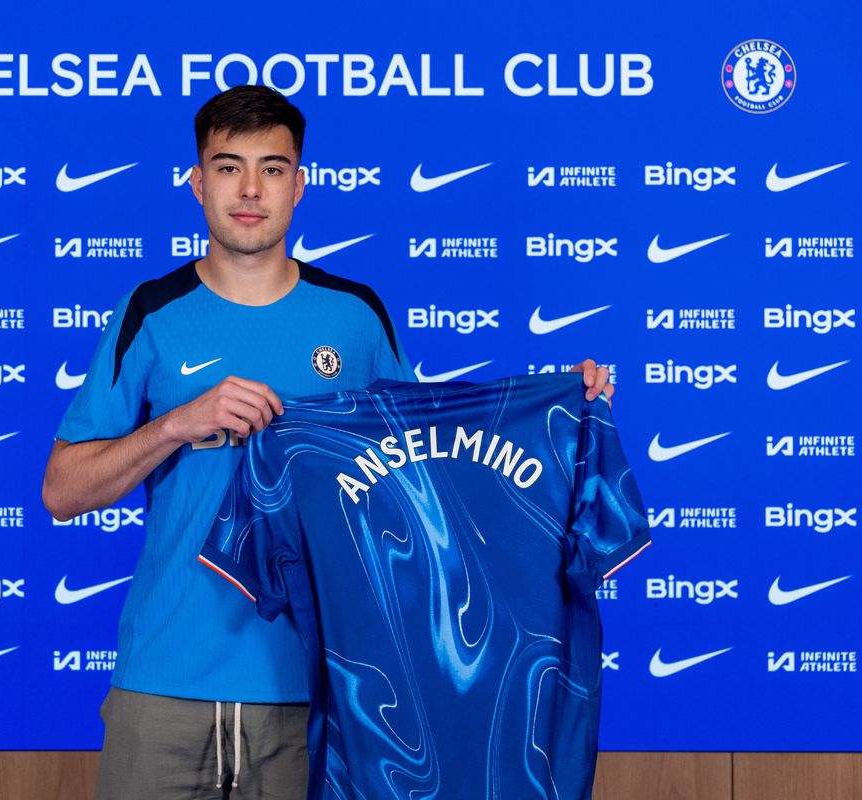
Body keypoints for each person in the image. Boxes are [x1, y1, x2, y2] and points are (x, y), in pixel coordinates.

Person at [40, 84, 614, 799]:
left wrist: (560, 413)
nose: (250, 189)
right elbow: (62, 490)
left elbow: (431, 478)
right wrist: (177, 424)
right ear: (196, 181)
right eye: (228, 166)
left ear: (299, 184)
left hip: (320, 685)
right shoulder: (151, 312)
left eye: (273, 168)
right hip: (165, 682)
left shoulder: (354, 317)